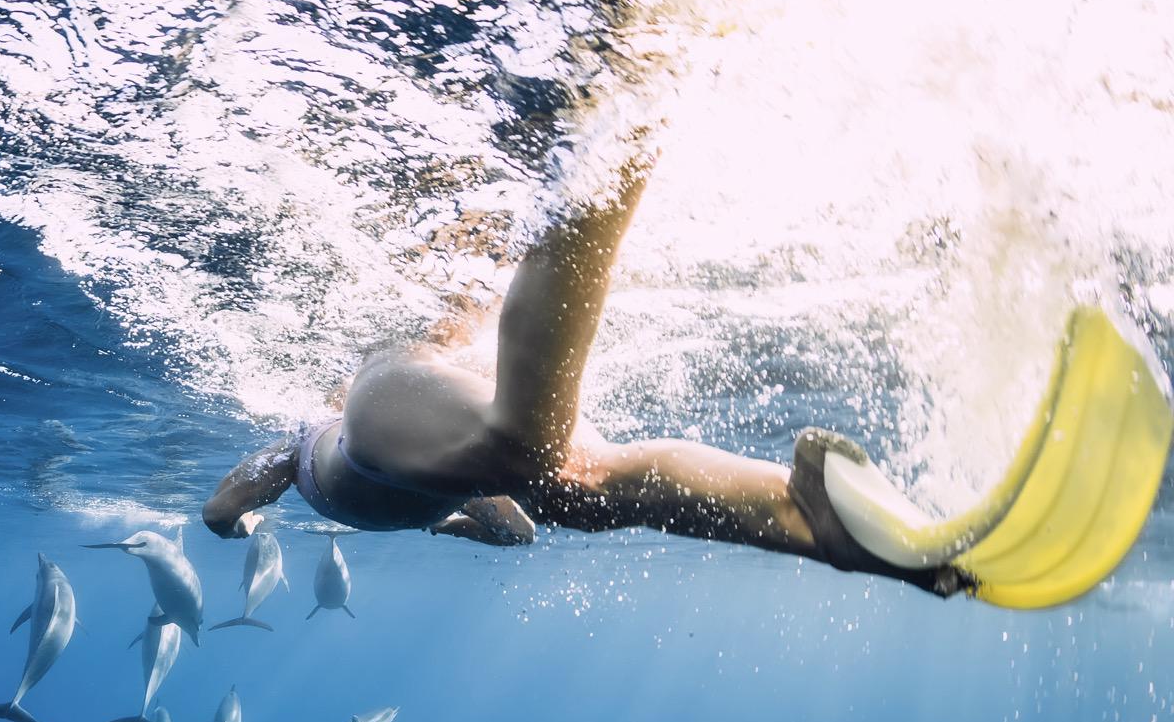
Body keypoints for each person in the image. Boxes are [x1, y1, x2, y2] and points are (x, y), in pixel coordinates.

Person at [201, 154, 966, 596]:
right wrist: (464, 525)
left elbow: (221, 504)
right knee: (577, 490)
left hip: (370, 421)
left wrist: (243, 523)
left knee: (529, 455)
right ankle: (808, 516)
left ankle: (606, 155)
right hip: (429, 431)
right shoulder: (452, 494)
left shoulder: (302, 442)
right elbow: (518, 533)